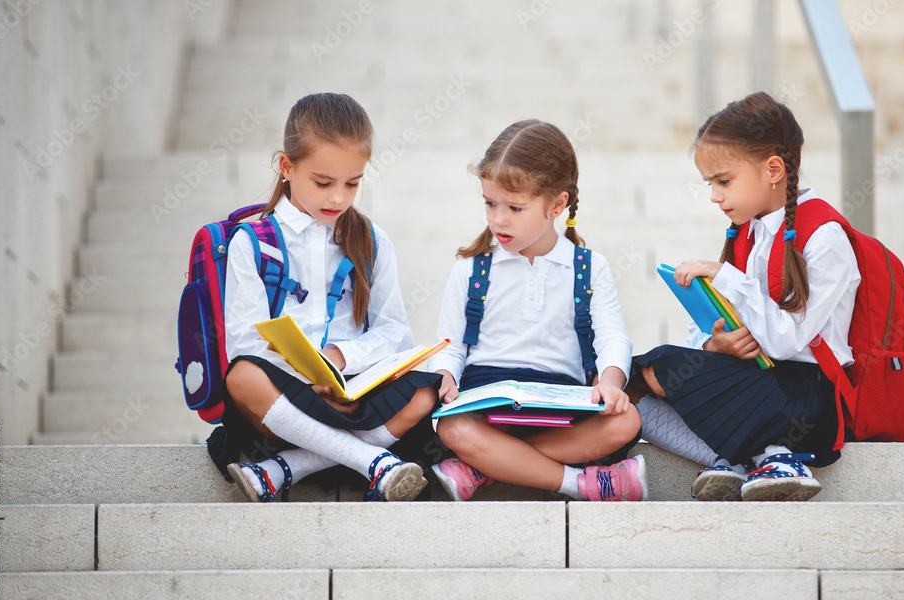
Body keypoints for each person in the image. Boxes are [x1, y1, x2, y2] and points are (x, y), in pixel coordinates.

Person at [630, 91, 860, 502]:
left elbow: (788, 341)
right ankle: (747, 460)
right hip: (763, 381)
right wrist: (713, 345)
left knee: (658, 369)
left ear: (773, 169)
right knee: (632, 389)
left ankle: (778, 455)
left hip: (809, 397)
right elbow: (720, 325)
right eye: (709, 184)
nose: (715, 196)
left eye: (723, 181)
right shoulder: (752, 233)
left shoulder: (825, 237)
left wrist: (726, 276)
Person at [220, 93, 440, 502]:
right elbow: (245, 344)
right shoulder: (251, 243)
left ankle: (284, 470)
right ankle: (376, 462)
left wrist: (340, 359)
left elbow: (395, 333)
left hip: (352, 394)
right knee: (242, 375)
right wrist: (307, 375)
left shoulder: (373, 241)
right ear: (287, 167)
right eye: (323, 183)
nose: (338, 198)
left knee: (427, 388)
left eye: (352, 184)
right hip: (284, 401)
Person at [428, 119, 645, 502]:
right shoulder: (471, 269)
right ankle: (582, 484)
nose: (498, 219)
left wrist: (610, 383)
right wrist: (444, 375)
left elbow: (612, 337)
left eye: (514, 207)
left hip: (561, 406)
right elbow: (449, 344)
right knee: (453, 428)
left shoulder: (589, 267)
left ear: (558, 204)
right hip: (488, 406)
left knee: (627, 421)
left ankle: (483, 466)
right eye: (490, 203)